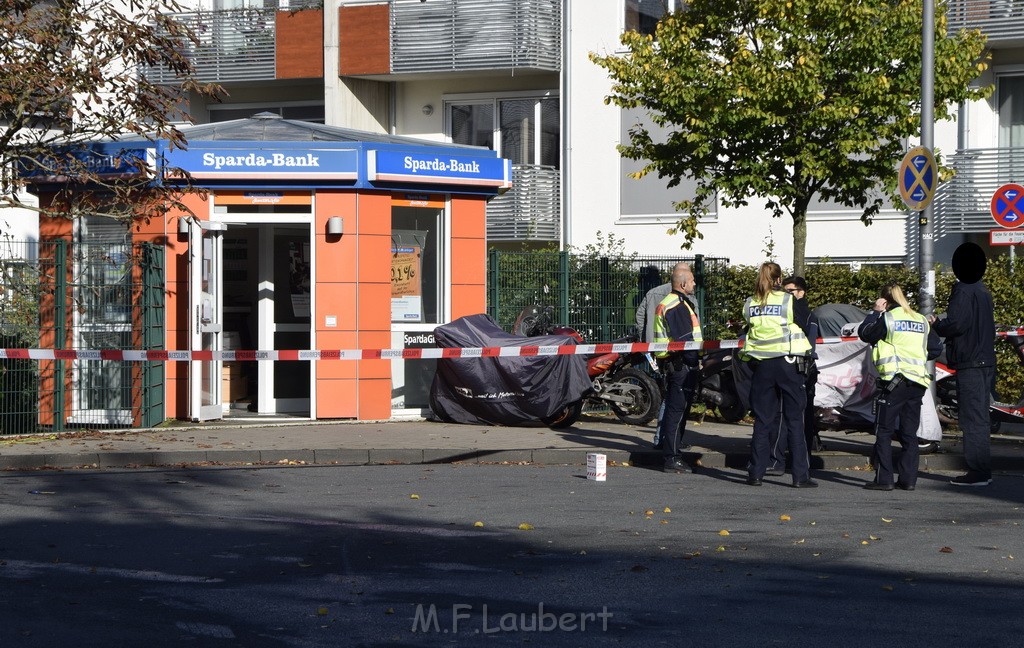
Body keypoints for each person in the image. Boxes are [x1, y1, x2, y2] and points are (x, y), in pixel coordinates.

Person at [858, 284, 943, 491]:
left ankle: (884, 479)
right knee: (909, 433)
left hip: (894, 382)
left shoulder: (888, 318)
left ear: (885, 300)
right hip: (917, 383)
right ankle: (908, 480)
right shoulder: (920, 320)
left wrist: (875, 313)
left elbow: (865, 334)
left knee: (884, 430)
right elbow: (934, 349)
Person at [739, 262, 817, 488]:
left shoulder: (750, 303)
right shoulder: (787, 300)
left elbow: (748, 328)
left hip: (762, 367)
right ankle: (800, 477)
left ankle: (756, 473)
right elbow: (804, 322)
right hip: (787, 364)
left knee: (762, 421)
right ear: (779, 279)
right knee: (794, 420)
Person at [929, 242, 996, 487]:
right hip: (984, 359)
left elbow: (957, 324)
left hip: (970, 361)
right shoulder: (983, 291)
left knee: (972, 419)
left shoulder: (963, 291)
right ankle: (982, 469)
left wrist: (937, 323)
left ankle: (978, 471)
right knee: (980, 417)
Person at [765, 276, 821, 476]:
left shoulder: (804, 312)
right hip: (787, 368)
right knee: (782, 416)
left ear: (801, 293)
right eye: (784, 290)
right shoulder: (787, 311)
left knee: (798, 419)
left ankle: (794, 463)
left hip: (801, 370)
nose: (786, 294)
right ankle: (778, 461)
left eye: (790, 291)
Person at [652, 264, 702, 473]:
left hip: (674, 364)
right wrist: (695, 362)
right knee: (677, 412)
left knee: (675, 410)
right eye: (691, 280)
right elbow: (685, 342)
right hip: (681, 365)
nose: (694, 283)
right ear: (682, 284)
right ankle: (672, 457)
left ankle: (671, 451)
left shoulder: (672, 302)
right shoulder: (677, 306)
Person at [636, 262, 691, 344]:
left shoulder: (652, 293)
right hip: (680, 348)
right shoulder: (689, 295)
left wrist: (646, 337)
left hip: (653, 346)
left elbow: (640, 316)